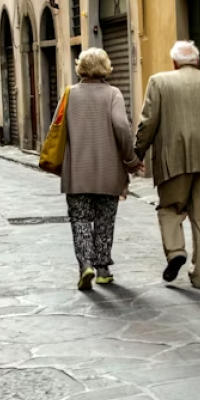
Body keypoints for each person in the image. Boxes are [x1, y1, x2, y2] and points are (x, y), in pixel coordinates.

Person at [135, 40, 200, 288]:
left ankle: (176, 251)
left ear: (174, 63)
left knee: (170, 209)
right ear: (197, 61)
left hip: (173, 159)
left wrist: (138, 152)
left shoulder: (158, 82)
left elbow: (148, 123)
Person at [62, 48, 141, 290]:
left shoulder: (69, 94)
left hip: (77, 172)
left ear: (81, 67)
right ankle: (103, 269)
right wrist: (131, 160)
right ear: (105, 67)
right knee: (105, 220)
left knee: (80, 220)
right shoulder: (113, 94)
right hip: (109, 171)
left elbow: (56, 129)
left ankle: (85, 265)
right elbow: (122, 126)